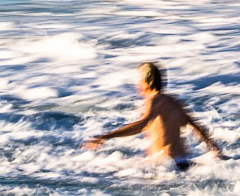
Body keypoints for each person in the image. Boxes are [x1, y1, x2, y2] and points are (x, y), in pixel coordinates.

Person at [82, 62, 222, 172]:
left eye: (138, 80)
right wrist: (215, 149)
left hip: (165, 165)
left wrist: (106, 136)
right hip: (183, 161)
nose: (137, 85)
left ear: (146, 82)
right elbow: (198, 128)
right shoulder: (174, 101)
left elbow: (143, 124)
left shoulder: (153, 100)